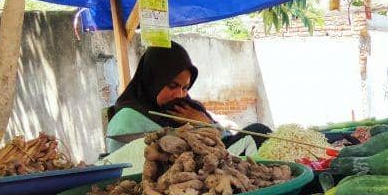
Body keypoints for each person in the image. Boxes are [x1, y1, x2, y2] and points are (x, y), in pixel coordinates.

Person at [108, 42, 270, 147]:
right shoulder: (128, 119)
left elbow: (225, 139)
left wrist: (206, 123)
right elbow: (124, 167)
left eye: (185, 88)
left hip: (218, 163)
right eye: (172, 85)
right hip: (180, 180)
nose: (179, 95)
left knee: (258, 131)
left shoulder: (188, 109)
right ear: (152, 80)